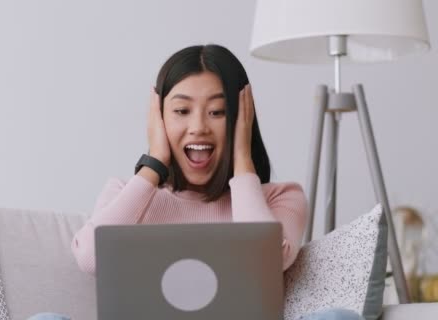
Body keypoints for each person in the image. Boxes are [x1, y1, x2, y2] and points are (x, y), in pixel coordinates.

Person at [29, 44, 363, 320]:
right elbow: (89, 257)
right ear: (159, 118)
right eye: (181, 111)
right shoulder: (126, 195)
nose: (199, 127)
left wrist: (243, 161)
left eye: (217, 112)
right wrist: (153, 165)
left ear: (240, 120)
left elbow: (268, 262)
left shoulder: (280, 198)